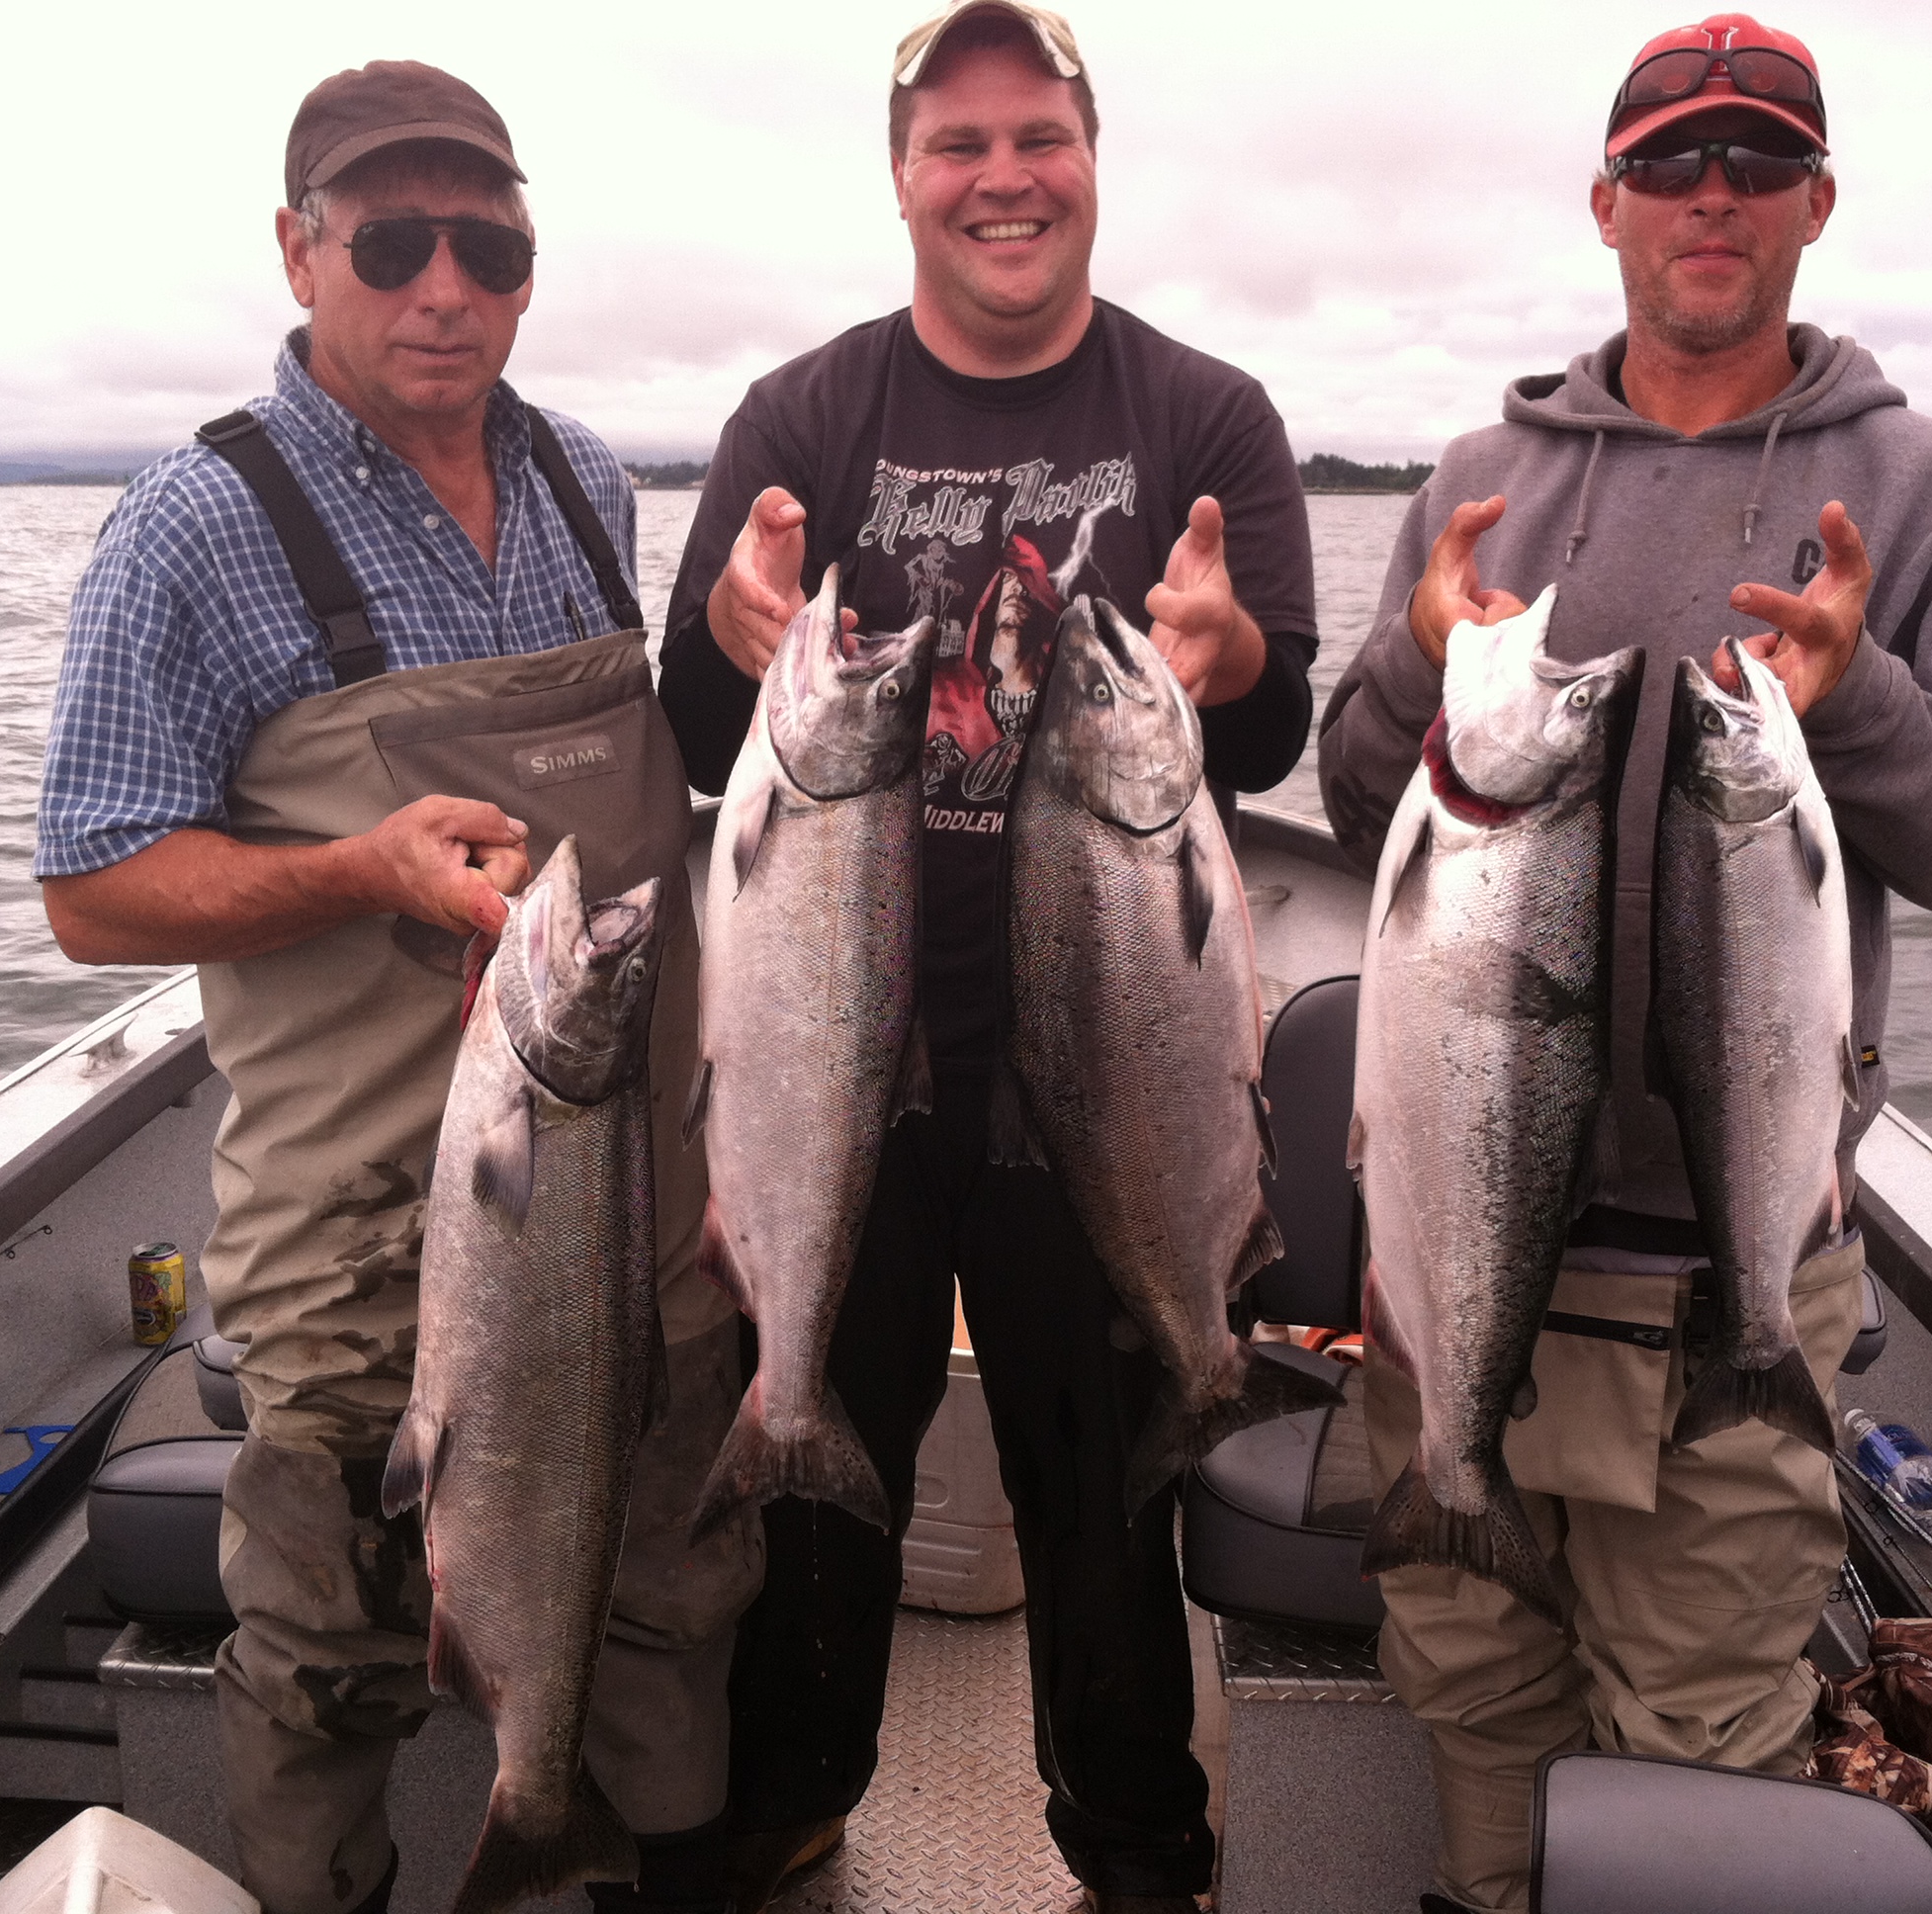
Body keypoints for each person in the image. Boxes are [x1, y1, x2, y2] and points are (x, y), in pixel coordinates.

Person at [1315, 16, 1932, 1912]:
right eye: (1670, 164)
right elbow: (1347, 799)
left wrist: (1861, 692)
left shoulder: (1923, 487)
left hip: (1732, 1265)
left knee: (1698, 1733)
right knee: (1473, 1692)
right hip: (1468, 1249)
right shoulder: (1485, 471)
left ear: (1816, 202)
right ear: (1606, 205)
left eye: (1753, 163)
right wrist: (1416, 655)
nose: (1709, 198)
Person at [35, 61, 759, 1914]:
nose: (444, 284)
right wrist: (359, 871)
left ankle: (612, 1863)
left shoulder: (586, 476)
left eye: (488, 244)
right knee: (333, 1668)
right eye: (394, 239)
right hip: (361, 1245)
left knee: (666, 1605)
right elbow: (92, 893)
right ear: (300, 251)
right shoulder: (190, 529)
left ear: (529, 268)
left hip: (635, 1213)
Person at [654, 4, 1318, 1907]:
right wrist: (722, 626)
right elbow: (708, 743)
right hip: (841, 1065)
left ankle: (1132, 1849)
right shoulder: (803, 417)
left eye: (1038, 137)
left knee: (1102, 1511)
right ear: (902, 177)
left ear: (1092, 159)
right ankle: (788, 1817)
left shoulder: (1205, 416)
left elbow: (1265, 747)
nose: (1001, 178)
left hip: (1111, 1065)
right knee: (812, 1500)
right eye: (959, 144)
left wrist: (1239, 656)